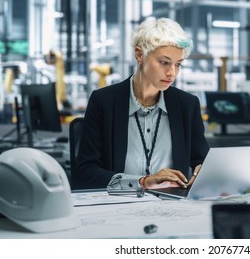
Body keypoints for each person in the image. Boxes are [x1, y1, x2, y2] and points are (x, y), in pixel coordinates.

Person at [75, 18, 209, 190]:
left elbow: (202, 160)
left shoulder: (187, 105)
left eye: (178, 64)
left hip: (172, 207)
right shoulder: (104, 102)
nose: (171, 72)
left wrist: (202, 172)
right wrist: (142, 182)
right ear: (139, 55)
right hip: (119, 206)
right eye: (164, 62)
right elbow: (85, 173)